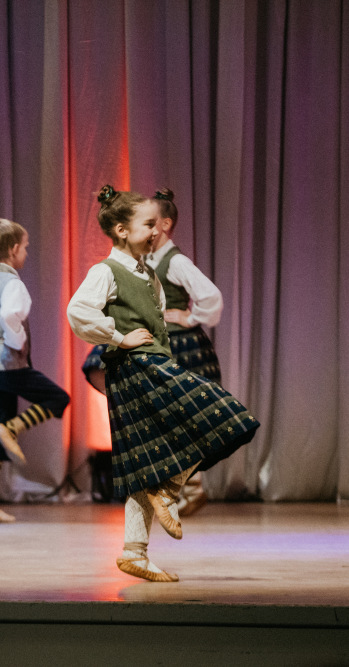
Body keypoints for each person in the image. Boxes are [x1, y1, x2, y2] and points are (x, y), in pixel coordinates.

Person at [66, 185, 259, 582]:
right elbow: (78, 311)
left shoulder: (148, 273)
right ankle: (169, 488)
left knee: (148, 459)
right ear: (121, 230)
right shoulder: (107, 271)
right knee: (224, 414)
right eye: (148, 225)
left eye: (157, 224)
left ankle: (135, 552)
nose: (156, 231)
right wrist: (118, 337)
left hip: (153, 363)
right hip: (137, 368)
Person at [81, 189, 224, 516]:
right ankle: (175, 487)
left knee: (178, 417)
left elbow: (210, 296)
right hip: (147, 341)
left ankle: (185, 486)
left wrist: (190, 317)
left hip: (175, 346)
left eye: (149, 223)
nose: (145, 229)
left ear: (164, 225)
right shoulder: (141, 262)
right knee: (159, 417)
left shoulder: (175, 261)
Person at [0, 219, 70, 523]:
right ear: (13, 250)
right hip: (7, 364)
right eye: (25, 247)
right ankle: (12, 429)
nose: (27, 252)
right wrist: (17, 342)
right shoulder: (14, 285)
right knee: (58, 398)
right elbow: (11, 317)